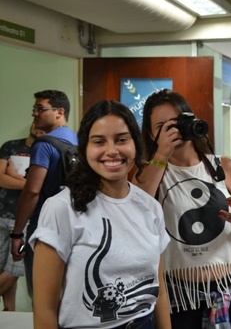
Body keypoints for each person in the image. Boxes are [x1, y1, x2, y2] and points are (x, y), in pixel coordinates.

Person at [29, 100, 170, 328]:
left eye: (122, 139)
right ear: (85, 148)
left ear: (136, 144)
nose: (112, 151)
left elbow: (159, 291)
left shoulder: (149, 206)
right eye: (99, 141)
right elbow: (44, 308)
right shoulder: (62, 207)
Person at [135, 89, 231, 329]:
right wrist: (162, 153)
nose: (172, 130)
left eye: (176, 122)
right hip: (179, 295)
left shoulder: (224, 167)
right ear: (151, 134)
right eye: (161, 126)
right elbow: (137, 209)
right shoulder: (148, 173)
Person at [11, 90, 78, 298]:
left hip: (44, 228)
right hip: (75, 227)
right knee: (69, 295)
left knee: (42, 297)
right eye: (34, 109)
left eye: (40, 109)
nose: (35, 114)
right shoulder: (79, 141)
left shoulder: (44, 145)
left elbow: (32, 191)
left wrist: (17, 233)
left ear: (59, 112)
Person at [0, 122, 42, 310]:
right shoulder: (10, 146)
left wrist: (13, 175)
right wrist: (30, 183)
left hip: (27, 218)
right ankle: (9, 311)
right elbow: (0, 179)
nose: (37, 126)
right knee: (4, 270)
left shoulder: (45, 149)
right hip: (2, 214)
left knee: (14, 271)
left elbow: (39, 188)